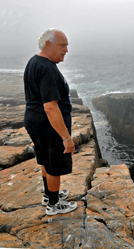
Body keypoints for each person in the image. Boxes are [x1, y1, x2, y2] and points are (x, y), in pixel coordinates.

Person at [24, 28, 77, 215]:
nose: (66, 50)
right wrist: (66, 137)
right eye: (63, 45)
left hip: (35, 122)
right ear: (48, 44)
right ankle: (53, 205)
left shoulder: (34, 61)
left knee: (46, 160)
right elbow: (50, 107)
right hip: (48, 126)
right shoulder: (47, 69)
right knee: (54, 164)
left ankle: (49, 194)